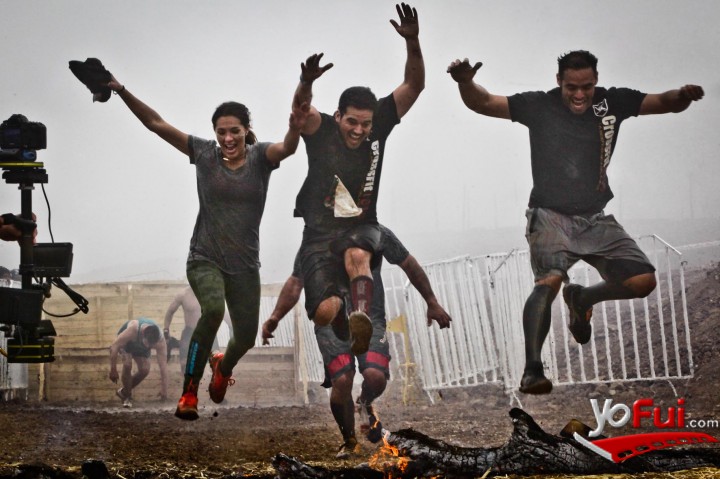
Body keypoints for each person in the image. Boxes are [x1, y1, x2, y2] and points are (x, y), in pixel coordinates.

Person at [447, 50, 704, 395]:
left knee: (642, 281)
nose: (579, 95)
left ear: (595, 82)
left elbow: (662, 101)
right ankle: (532, 370)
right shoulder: (539, 106)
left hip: (594, 218)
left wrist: (683, 96)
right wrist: (466, 82)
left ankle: (582, 298)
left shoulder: (614, 102)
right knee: (548, 282)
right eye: (572, 87)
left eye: (586, 87)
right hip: (550, 215)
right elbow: (484, 103)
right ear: (559, 82)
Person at [83, 56, 312, 420]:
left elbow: (289, 145)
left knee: (246, 337)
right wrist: (120, 88)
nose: (227, 138)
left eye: (234, 130)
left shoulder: (260, 158)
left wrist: (303, 99)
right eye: (221, 131)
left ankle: (222, 368)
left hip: (245, 264)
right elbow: (156, 124)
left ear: (245, 130)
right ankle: (189, 390)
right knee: (212, 310)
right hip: (204, 257)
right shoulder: (204, 154)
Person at [291, 3, 425, 385]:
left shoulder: (379, 121)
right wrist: (306, 82)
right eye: (352, 122)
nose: (359, 130)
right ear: (338, 117)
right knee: (323, 311)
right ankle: (338, 320)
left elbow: (414, 86)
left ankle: (361, 319)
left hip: (360, 225)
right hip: (319, 233)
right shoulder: (321, 130)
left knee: (358, 254)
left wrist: (412, 42)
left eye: (365, 124)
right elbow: (302, 110)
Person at [262, 224, 451, 458]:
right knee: (342, 380)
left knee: (375, 376)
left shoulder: (377, 233)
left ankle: (365, 401)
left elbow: (408, 263)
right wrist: (275, 317)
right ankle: (349, 440)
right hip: (330, 319)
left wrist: (431, 301)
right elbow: (295, 283)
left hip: (370, 315)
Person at [163, 285, 230, 373]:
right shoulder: (183, 294)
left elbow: (222, 312)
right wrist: (166, 330)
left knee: (216, 365)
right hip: (189, 333)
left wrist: (233, 327)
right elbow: (170, 312)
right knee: (185, 366)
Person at [108, 318, 169, 408]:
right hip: (127, 344)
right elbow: (114, 346)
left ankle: (124, 392)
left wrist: (164, 390)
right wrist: (113, 369)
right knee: (127, 364)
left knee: (145, 370)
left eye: (151, 345)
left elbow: (163, 366)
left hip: (140, 348)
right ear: (143, 333)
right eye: (147, 343)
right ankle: (127, 396)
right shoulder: (133, 330)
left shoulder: (160, 342)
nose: (148, 346)